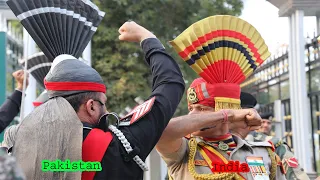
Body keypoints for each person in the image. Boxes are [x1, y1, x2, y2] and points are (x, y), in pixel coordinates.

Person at [12, 21, 185, 180]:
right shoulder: (121, 146)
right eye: (103, 102)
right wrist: (146, 37)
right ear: (91, 107)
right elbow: (170, 84)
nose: (107, 109)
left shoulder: (17, 146)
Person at [157, 78, 286, 180]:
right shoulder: (184, 151)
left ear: (224, 106)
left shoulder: (263, 153)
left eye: (201, 109)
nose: (192, 115)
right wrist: (227, 115)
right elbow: (160, 132)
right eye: (191, 109)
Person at [242, 92, 310, 180]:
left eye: (268, 123)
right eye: (263, 122)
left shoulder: (274, 144)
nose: (266, 125)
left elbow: (297, 175)